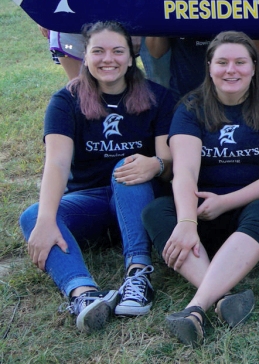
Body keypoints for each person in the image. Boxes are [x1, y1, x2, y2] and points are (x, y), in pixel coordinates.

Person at [142, 31, 259, 345]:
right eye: (222, 62)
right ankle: (224, 296)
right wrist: (186, 222)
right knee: (157, 211)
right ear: (209, 66)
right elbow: (184, 170)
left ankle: (196, 307)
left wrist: (226, 201)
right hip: (200, 213)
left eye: (240, 62)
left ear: (254, 67)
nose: (231, 70)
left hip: (250, 216)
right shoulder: (191, 108)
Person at [19, 21, 173, 332]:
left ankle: (138, 273)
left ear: (131, 57)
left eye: (118, 51)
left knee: (125, 168)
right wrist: (47, 219)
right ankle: (83, 294)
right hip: (92, 202)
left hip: (137, 201)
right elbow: (58, 163)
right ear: (85, 56)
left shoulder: (159, 97)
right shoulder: (66, 100)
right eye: (98, 51)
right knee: (34, 215)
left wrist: (156, 164)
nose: (108, 60)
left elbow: (169, 159)